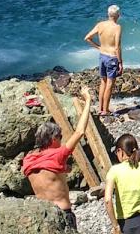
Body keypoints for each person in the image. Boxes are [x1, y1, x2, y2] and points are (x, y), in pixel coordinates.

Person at [22, 88, 94, 229]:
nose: (62, 140)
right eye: (60, 137)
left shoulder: (29, 160)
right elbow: (80, 132)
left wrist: (63, 168)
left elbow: (48, 172)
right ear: (54, 139)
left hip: (44, 215)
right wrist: (88, 100)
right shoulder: (57, 155)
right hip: (63, 213)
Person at [104, 134, 140, 234]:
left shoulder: (114, 170)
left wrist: (115, 226)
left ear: (120, 151)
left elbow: (107, 200)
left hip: (125, 224)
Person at [85, 5, 123, 116]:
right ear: (118, 15)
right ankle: (105, 110)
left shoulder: (100, 25)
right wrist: (120, 62)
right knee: (110, 84)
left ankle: (101, 108)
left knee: (103, 82)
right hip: (112, 57)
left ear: (108, 14)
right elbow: (117, 47)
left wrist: (98, 47)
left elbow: (87, 38)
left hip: (102, 56)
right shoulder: (117, 27)